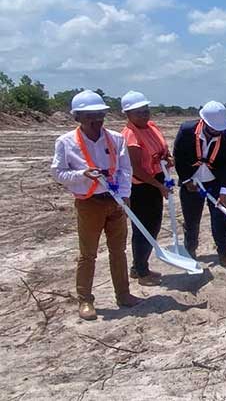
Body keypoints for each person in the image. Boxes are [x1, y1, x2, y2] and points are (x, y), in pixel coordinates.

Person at [51, 90, 141, 320]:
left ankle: (123, 294)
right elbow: (59, 173)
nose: (97, 120)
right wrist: (83, 175)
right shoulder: (66, 142)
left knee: (118, 251)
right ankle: (85, 300)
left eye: (100, 114)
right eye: (90, 115)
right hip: (88, 203)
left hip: (115, 202)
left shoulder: (115, 138)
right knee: (88, 254)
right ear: (77, 117)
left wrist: (124, 195)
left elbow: (124, 169)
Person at [173, 101, 226, 267]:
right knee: (191, 219)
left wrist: (224, 192)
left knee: (220, 217)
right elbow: (178, 157)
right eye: (214, 128)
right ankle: (190, 250)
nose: (217, 131)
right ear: (205, 123)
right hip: (191, 181)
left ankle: (223, 250)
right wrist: (186, 181)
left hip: (215, 182)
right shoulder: (186, 131)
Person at [121, 91, 173, 286]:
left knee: (154, 226)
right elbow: (136, 169)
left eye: (146, 111)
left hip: (156, 180)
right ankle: (141, 272)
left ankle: (140, 266)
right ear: (128, 114)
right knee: (144, 228)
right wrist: (158, 185)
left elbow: (161, 150)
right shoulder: (130, 136)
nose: (144, 115)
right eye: (139, 112)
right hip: (142, 187)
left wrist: (167, 158)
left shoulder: (151, 127)